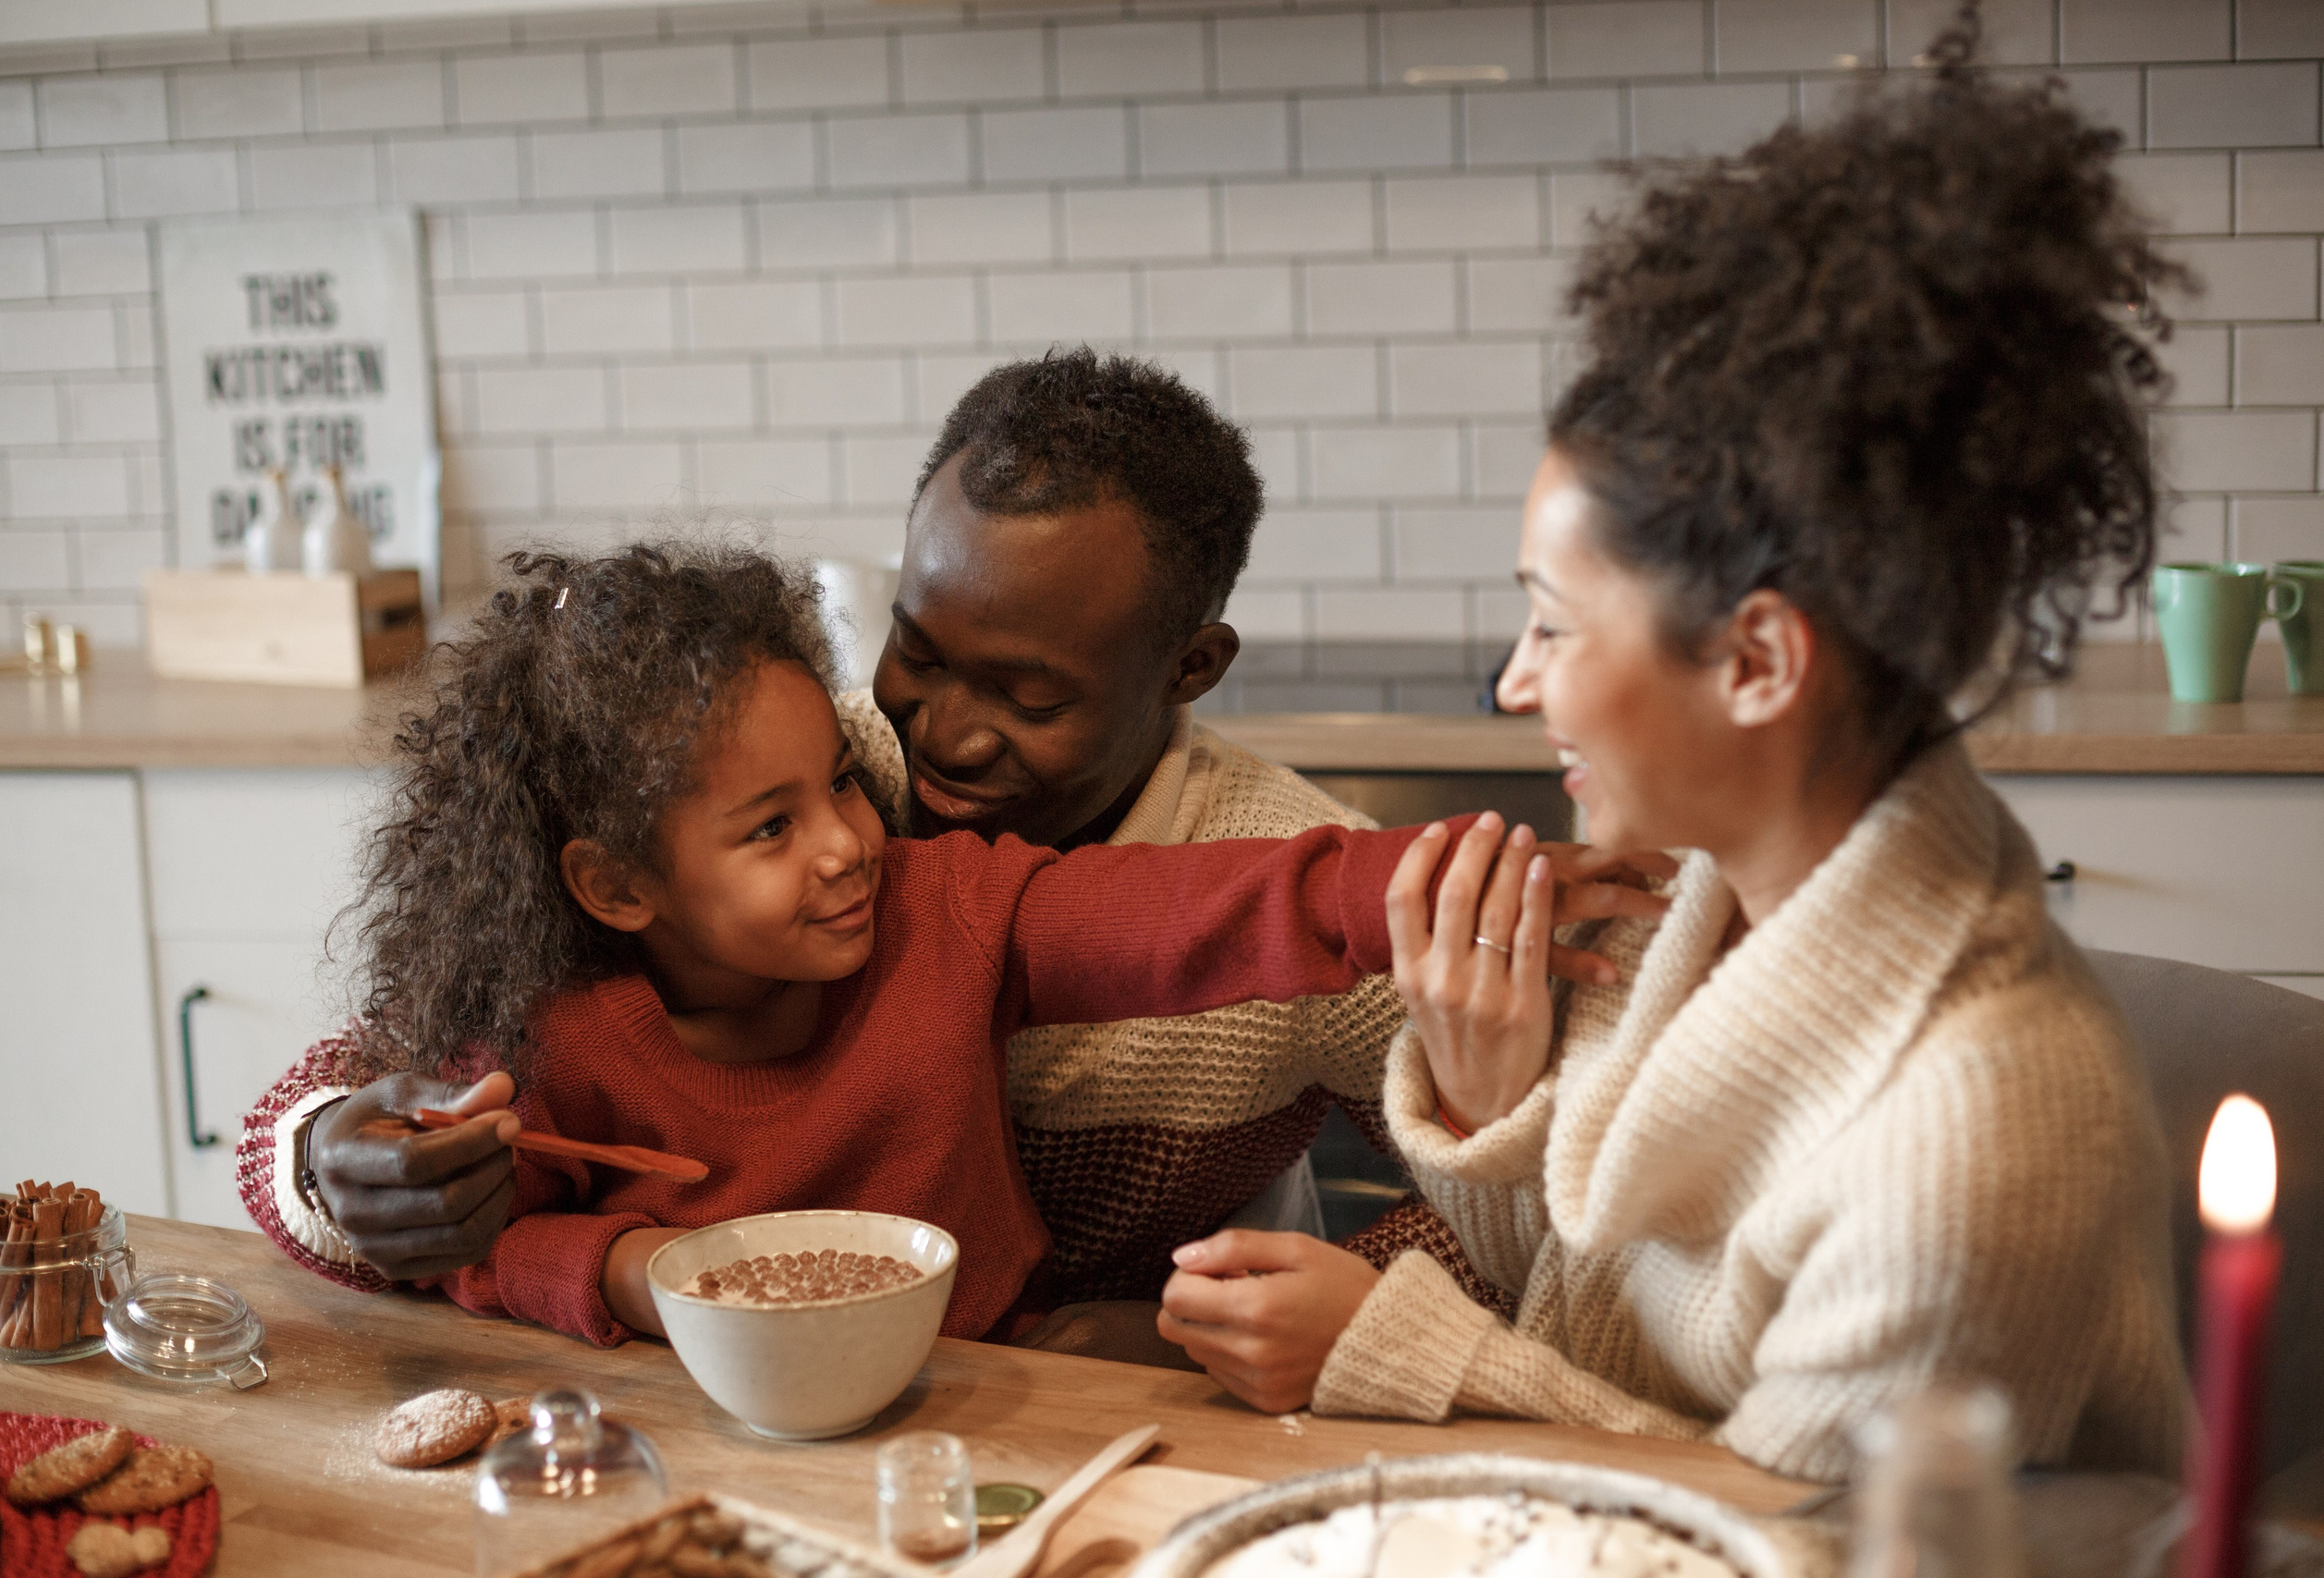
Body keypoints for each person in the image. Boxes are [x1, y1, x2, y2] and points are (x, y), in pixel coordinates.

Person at [1154, 18, 2192, 1481]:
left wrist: (1401, 1354)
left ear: (1758, 662)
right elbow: (1578, 1299)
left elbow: (1802, 1541)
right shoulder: (1684, 905)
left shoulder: (1974, 1143)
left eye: (1553, 624)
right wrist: (1486, 1083)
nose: (1515, 683)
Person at [244, 349, 1649, 1339]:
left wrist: (1233, 1320)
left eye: (1028, 696)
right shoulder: (786, 771)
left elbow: (1567, 1216)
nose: (939, 741)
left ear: (1190, 668)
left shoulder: (1109, 877)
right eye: (918, 650)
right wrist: (341, 1171)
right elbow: (382, 1091)